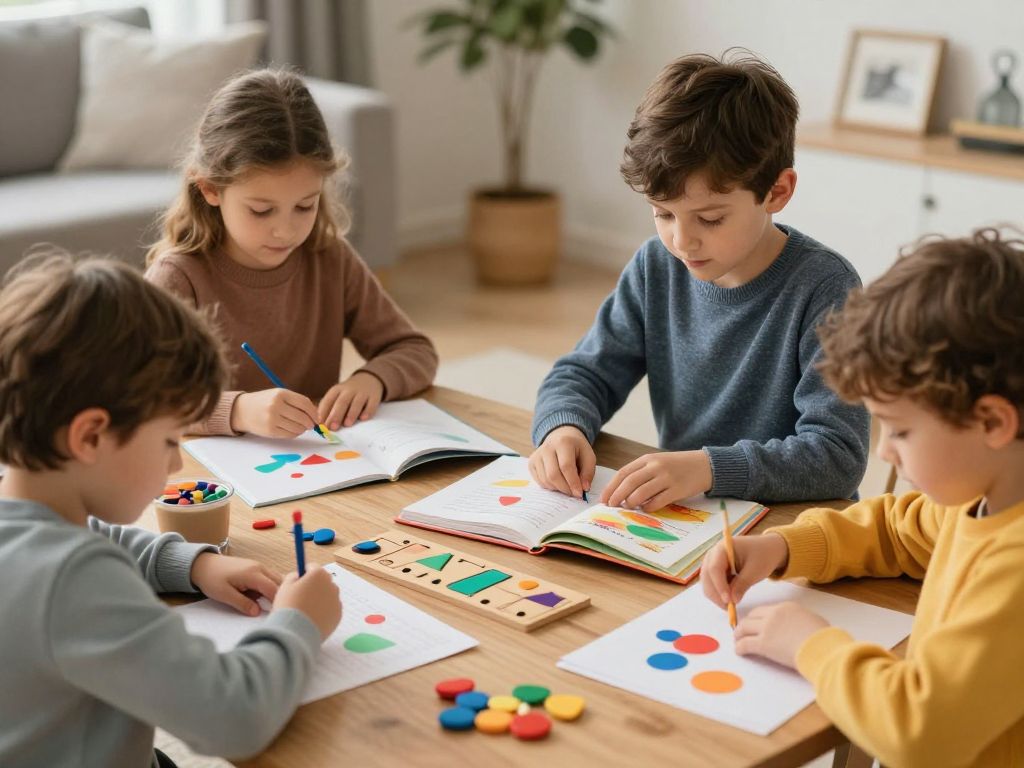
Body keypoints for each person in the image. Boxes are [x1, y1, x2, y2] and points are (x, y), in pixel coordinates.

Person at [0, 252, 342, 768]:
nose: (177, 462)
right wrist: (299, 623)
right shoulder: (74, 579)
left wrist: (192, 564)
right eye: (167, 441)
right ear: (91, 435)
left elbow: (83, 537)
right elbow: (234, 718)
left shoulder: (26, 512)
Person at [702, 229, 1024, 767]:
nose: (887, 455)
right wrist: (782, 548)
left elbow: (920, 732)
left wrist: (812, 645)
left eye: (899, 431)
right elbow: (895, 529)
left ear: (991, 421)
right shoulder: (982, 498)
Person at [529, 51, 868, 507]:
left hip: (797, 526)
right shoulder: (656, 266)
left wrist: (709, 468)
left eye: (709, 218)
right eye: (663, 214)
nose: (682, 241)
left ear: (777, 192)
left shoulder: (826, 287)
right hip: (692, 514)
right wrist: (563, 426)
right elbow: (585, 372)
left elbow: (837, 455)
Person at [147, 68, 437, 438]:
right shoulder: (178, 277)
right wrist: (235, 411)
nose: (286, 231)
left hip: (316, 469)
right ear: (209, 189)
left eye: (305, 206)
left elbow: (415, 350)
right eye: (261, 210)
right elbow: (142, 399)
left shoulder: (330, 258)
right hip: (214, 484)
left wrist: (372, 379)